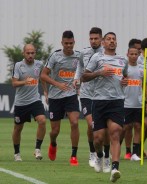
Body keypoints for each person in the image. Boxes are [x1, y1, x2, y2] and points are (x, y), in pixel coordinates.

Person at [81, 32, 128, 182]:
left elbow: (124, 76)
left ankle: (114, 167)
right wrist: (100, 72)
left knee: (115, 132)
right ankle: (100, 156)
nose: (112, 41)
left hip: (117, 101)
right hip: (99, 101)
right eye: (109, 39)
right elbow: (84, 77)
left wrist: (124, 81)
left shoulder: (122, 59)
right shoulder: (97, 58)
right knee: (98, 138)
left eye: (114, 39)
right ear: (103, 42)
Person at [40, 30, 83, 166]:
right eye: (66, 43)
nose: (69, 46)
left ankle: (74, 155)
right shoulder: (55, 56)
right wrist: (58, 84)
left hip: (71, 95)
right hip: (55, 97)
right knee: (55, 131)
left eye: (71, 43)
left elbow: (84, 72)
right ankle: (53, 143)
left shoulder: (79, 57)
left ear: (74, 42)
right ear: (62, 43)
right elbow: (43, 75)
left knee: (75, 123)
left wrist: (79, 81)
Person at [73, 27, 110, 169]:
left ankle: (106, 154)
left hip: (102, 94)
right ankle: (92, 152)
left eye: (96, 38)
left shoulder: (106, 54)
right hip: (86, 94)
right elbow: (79, 68)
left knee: (104, 129)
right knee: (91, 124)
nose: (93, 41)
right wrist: (76, 79)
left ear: (101, 39)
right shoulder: (84, 53)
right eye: (91, 38)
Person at [12, 44, 47, 161]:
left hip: (34, 100)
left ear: (35, 53)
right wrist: (24, 82)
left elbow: (43, 78)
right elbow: (14, 83)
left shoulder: (39, 64)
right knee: (18, 128)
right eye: (28, 53)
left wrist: (46, 92)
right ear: (24, 53)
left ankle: (37, 149)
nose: (30, 55)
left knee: (42, 120)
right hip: (21, 102)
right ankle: (17, 153)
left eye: (32, 53)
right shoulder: (18, 65)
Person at [122, 47, 145, 161]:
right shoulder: (124, 68)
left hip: (138, 103)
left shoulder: (141, 69)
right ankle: (127, 150)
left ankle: (135, 153)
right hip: (126, 103)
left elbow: (146, 85)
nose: (134, 56)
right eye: (131, 54)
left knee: (138, 126)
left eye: (136, 54)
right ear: (127, 54)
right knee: (126, 127)